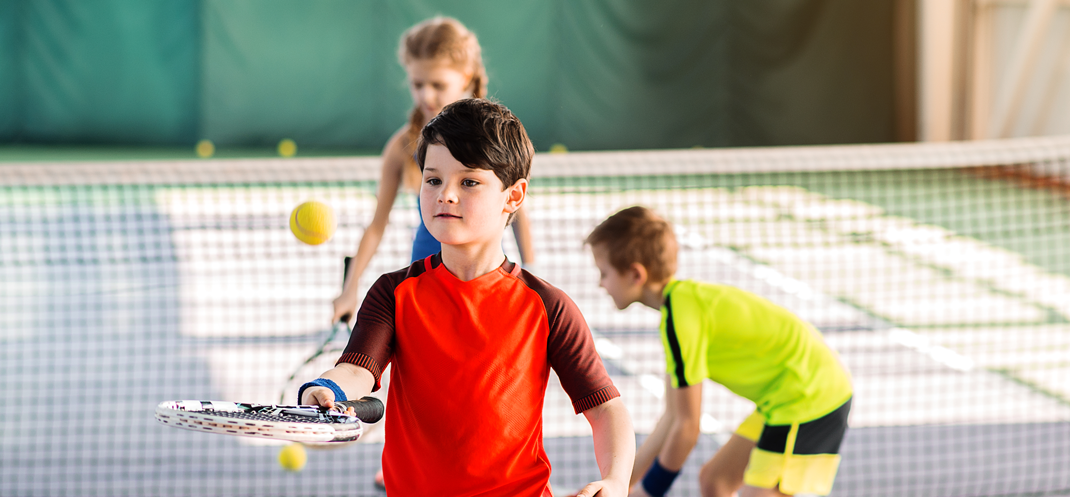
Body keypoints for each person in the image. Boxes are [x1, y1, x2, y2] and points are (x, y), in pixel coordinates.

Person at [301, 98, 635, 497]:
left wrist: (615, 482)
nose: (446, 195)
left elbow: (605, 408)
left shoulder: (549, 307)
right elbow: (357, 370)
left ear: (513, 197)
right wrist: (328, 388)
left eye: (469, 182)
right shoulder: (393, 294)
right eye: (433, 179)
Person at [585, 206, 853, 497]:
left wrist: (648, 491)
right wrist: (619, 484)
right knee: (716, 482)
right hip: (784, 395)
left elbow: (687, 428)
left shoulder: (681, 318)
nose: (601, 283)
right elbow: (672, 418)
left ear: (635, 274)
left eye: (604, 273)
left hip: (809, 396)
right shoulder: (679, 309)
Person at [332, 16, 536, 325]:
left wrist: (533, 272)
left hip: (483, 279)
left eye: (437, 85)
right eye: (417, 84)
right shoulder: (401, 145)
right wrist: (350, 289)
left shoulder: (496, 140)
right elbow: (377, 225)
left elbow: (519, 214)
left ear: (465, 77)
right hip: (424, 283)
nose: (425, 96)